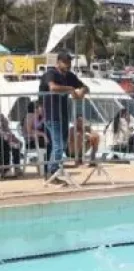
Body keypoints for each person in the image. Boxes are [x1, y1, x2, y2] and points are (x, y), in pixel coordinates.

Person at [38, 51, 88, 180]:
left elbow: (85, 87)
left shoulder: (70, 76)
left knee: (61, 145)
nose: (68, 65)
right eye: (65, 62)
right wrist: (71, 89)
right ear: (58, 62)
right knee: (58, 146)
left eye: (69, 62)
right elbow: (52, 87)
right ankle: (52, 173)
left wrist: (82, 91)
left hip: (64, 115)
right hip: (51, 115)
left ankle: (51, 171)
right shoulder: (50, 73)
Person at [0, 114, 22, 178]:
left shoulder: (6, 127)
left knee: (16, 145)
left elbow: (10, 134)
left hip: (5, 140)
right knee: (5, 145)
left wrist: (15, 140)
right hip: (3, 141)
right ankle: (6, 170)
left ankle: (16, 168)